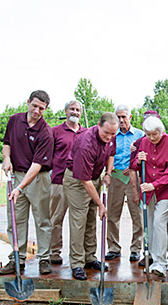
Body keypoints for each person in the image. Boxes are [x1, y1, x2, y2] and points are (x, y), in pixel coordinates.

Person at [0, 90, 53, 275]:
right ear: (28, 102)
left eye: (41, 108)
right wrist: (6, 158)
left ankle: (44, 258)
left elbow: (37, 164)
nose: (37, 111)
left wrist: (20, 188)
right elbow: (7, 143)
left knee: (42, 219)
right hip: (17, 175)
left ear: (45, 109)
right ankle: (17, 258)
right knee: (15, 218)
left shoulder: (45, 132)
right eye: (35, 106)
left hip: (38, 178)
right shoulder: (14, 120)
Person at [63, 113, 117, 280]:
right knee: (79, 220)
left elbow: (110, 154)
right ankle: (77, 264)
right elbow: (85, 181)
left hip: (94, 178)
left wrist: (107, 173)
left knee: (91, 220)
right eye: (106, 133)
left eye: (112, 134)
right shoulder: (85, 143)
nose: (109, 137)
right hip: (77, 180)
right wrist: (101, 204)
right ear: (98, 125)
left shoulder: (110, 136)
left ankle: (89, 258)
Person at [132, 117, 168, 277]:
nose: (152, 138)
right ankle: (153, 259)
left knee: (159, 221)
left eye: (155, 134)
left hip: (166, 188)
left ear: (162, 131)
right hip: (148, 189)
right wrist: (138, 161)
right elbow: (134, 165)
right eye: (148, 134)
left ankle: (162, 263)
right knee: (151, 222)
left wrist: (154, 185)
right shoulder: (144, 142)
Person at [105, 104, 144, 263]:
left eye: (123, 117)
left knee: (137, 215)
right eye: (118, 117)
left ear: (130, 117)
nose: (121, 120)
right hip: (115, 176)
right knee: (113, 215)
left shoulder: (140, 135)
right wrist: (108, 169)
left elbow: (145, 156)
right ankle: (113, 248)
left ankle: (136, 249)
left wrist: (134, 166)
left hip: (133, 177)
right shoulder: (111, 135)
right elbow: (106, 154)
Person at [49, 100, 85, 265]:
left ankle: (79, 254)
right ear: (65, 111)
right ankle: (54, 252)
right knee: (56, 218)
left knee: (79, 221)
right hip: (59, 181)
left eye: (78, 110)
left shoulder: (86, 133)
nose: (75, 112)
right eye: (72, 109)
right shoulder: (55, 131)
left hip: (80, 183)